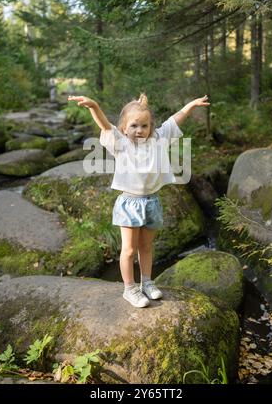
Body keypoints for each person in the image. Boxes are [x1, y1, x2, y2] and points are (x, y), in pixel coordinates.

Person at [67, 93, 210, 307]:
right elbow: (106, 127)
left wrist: (190, 106)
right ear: (124, 128)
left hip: (152, 202)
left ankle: (147, 282)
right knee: (129, 249)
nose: (139, 130)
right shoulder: (121, 144)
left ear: (151, 127)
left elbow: (176, 119)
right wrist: (94, 106)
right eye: (133, 126)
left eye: (144, 126)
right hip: (129, 204)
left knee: (147, 247)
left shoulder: (159, 140)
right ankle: (129, 288)